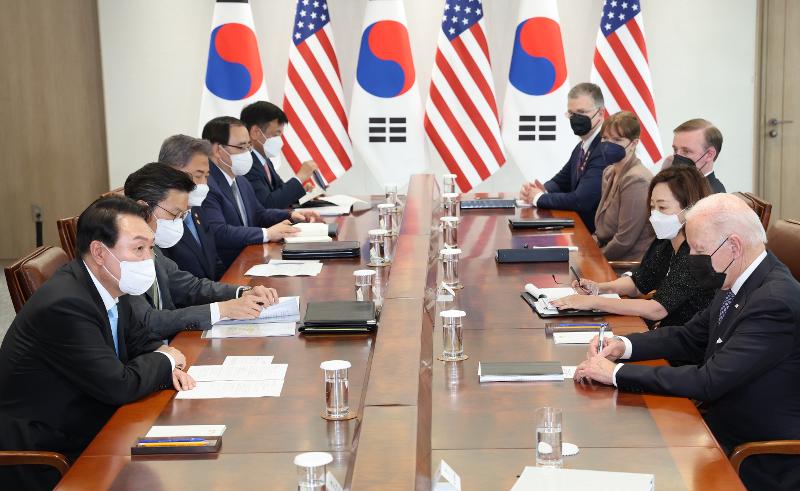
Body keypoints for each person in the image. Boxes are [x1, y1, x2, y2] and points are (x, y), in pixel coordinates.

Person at [573, 193, 800, 491]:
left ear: (733, 245)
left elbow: (709, 380)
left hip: (755, 454)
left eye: (699, 249)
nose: (692, 258)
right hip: (712, 427)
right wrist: (624, 345)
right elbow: (689, 337)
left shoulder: (774, 301)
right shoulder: (737, 276)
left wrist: (613, 374)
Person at [0, 196, 195, 490]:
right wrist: (166, 360)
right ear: (100, 252)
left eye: (150, 248)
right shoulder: (66, 303)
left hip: (91, 418)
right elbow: (118, 385)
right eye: (138, 248)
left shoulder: (109, 284)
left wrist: (160, 353)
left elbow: (139, 337)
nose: (148, 259)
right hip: (46, 451)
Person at [124, 162, 280, 339]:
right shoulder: (121, 255)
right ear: (144, 208)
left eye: (183, 216)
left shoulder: (154, 249)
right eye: (174, 214)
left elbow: (191, 287)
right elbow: (150, 321)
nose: (178, 222)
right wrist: (221, 310)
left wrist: (244, 292)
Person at [552, 166, 715, 329]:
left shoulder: (695, 253)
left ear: (691, 210)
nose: (654, 215)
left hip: (686, 345)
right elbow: (639, 283)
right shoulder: (668, 242)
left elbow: (657, 309)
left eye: (663, 207)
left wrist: (593, 302)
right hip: (665, 333)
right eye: (652, 206)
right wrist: (598, 288)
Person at [200, 116, 320, 268]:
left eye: (249, 146)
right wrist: (267, 234)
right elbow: (219, 232)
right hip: (227, 268)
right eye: (241, 147)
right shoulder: (206, 184)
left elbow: (258, 214)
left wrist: (290, 215)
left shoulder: (241, 180)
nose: (247, 153)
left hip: (250, 259)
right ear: (218, 150)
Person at [518, 82, 613, 233]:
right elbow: (561, 181)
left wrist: (539, 198)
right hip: (580, 231)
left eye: (581, 113)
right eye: (572, 114)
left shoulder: (605, 148)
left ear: (601, 113)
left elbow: (581, 200)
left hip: (598, 239)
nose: (576, 119)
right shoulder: (581, 146)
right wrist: (543, 190)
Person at [157, 134, 224, 280]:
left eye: (206, 176)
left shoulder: (196, 208)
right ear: (170, 172)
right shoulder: (159, 218)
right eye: (197, 175)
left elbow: (214, 260)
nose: (203, 184)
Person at [592, 111, 654, 261]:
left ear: (633, 143)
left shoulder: (637, 180)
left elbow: (624, 241)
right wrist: (588, 245)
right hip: (607, 253)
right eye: (605, 138)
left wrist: (593, 258)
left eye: (617, 140)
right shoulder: (609, 172)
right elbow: (603, 229)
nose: (608, 145)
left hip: (626, 264)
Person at [240, 101, 320, 209]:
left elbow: (279, 191)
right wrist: (300, 177)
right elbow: (268, 204)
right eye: (275, 134)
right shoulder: (246, 165)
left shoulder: (264, 161)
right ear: (255, 132)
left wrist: (302, 191)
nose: (280, 141)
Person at [667, 118, 725, 193]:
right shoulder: (673, 186)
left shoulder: (714, 198)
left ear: (709, 155)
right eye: (675, 149)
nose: (677, 156)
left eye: (686, 151)